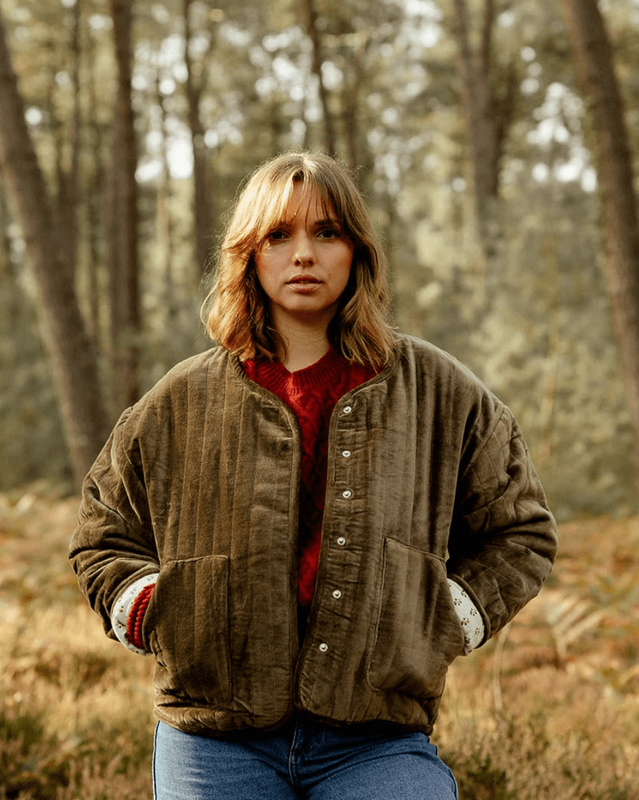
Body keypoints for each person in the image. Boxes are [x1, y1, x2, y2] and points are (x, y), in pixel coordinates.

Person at [69, 152, 557, 800]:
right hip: (213, 734)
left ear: (357, 250)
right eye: (280, 234)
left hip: (376, 738)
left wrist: (448, 616)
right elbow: (103, 534)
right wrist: (155, 611)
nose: (304, 253)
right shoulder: (178, 400)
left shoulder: (440, 392)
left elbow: (520, 532)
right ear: (250, 253)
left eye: (326, 232)